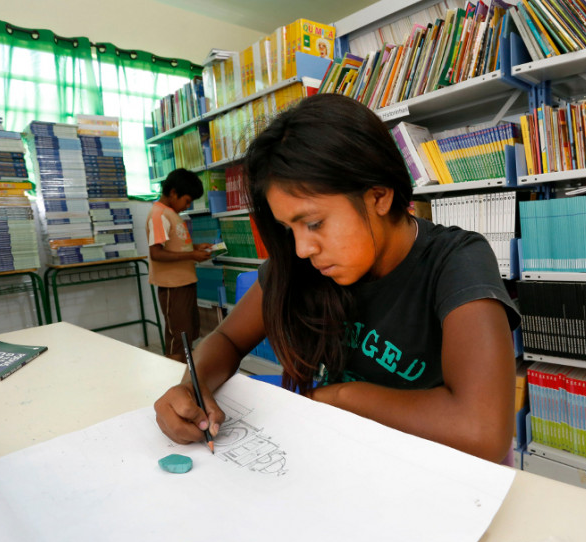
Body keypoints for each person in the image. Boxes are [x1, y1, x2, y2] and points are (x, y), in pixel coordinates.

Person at [154, 94, 520, 462]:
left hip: (433, 472)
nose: (301, 249)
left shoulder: (456, 260)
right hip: (343, 457)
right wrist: (192, 387)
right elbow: (228, 339)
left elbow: (482, 432)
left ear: (379, 195)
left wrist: (339, 396)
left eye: (314, 223)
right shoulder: (304, 262)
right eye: (288, 228)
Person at [146, 168, 212, 362]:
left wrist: (196, 247)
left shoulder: (170, 213)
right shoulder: (159, 215)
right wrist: (192, 254)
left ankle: (186, 377)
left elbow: (175, 245)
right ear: (173, 192)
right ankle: (176, 382)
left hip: (184, 283)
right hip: (172, 287)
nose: (187, 206)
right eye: (187, 200)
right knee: (178, 339)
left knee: (187, 335)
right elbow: (156, 253)